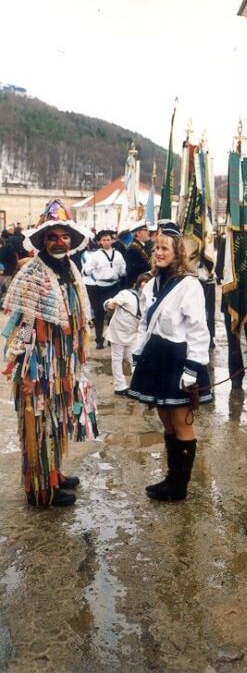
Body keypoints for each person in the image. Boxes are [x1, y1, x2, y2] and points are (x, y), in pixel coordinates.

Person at [1, 199, 97, 507]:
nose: (59, 242)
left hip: (61, 367)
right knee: (38, 425)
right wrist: (24, 367)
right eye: (53, 236)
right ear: (43, 240)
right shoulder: (33, 274)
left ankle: (53, 472)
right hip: (39, 368)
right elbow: (25, 325)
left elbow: (78, 314)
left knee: (56, 423)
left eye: (64, 236)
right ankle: (40, 490)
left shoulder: (69, 269)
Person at [128, 222, 211, 502]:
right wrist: (138, 353)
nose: (158, 252)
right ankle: (171, 479)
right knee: (165, 419)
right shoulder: (151, 283)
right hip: (156, 357)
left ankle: (179, 487)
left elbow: (199, 330)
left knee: (180, 421)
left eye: (164, 248)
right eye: (156, 247)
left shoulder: (190, 285)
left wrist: (192, 369)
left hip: (179, 358)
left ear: (178, 252)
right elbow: (144, 322)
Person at [215, 235, 247, 390]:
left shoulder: (225, 243)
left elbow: (218, 271)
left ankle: (236, 379)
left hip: (231, 297)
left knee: (234, 339)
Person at [104, 272, 151, 395]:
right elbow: (112, 302)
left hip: (133, 333)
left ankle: (138, 385)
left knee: (134, 358)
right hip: (118, 331)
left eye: (148, 282)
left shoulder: (149, 300)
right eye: (144, 281)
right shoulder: (126, 294)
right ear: (139, 283)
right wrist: (111, 304)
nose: (146, 284)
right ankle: (120, 386)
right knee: (117, 359)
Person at [83, 229, 126, 348]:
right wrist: (88, 271)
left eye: (108, 239)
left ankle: (111, 339)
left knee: (113, 314)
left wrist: (120, 275)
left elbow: (123, 270)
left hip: (114, 286)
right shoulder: (95, 255)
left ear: (112, 240)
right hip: (99, 287)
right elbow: (86, 270)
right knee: (99, 314)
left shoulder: (118, 254)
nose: (106, 242)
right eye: (104, 240)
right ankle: (99, 340)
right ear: (99, 242)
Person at [125, 221, 151, 288]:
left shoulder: (144, 246)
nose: (148, 232)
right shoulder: (132, 249)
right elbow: (131, 272)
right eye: (145, 230)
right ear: (138, 233)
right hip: (137, 285)